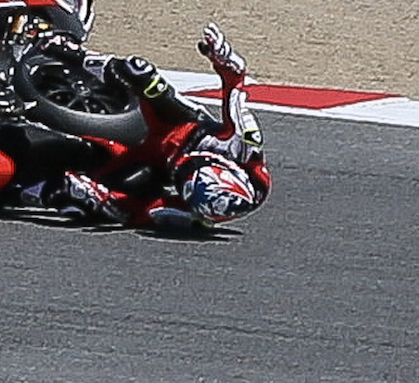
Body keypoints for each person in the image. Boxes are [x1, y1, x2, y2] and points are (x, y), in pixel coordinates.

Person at [19, 23, 272, 229]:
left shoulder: (195, 213)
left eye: (184, 181)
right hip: (179, 122)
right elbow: (235, 85)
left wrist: (97, 196)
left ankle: (18, 189)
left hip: (155, 162)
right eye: (191, 169)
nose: (184, 168)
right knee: (139, 71)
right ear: (223, 165)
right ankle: (65, 50)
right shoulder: (245, 147)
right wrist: (222, 60)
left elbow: (140, 211)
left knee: (81, 195)